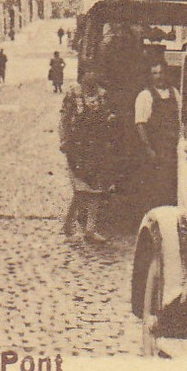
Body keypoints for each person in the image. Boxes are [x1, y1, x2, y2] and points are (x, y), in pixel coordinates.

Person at [60, 69, 116, 243]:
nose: (90, 81)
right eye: (87, 79)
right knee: (81, 190)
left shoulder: (102, 95)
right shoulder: (73, 94)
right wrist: (63, 140)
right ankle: (68, 226)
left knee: (96, 190)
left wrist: (111, 122)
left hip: (97, 148)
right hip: (77, 148)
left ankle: (90, 229)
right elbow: (64, 119)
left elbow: (107, 117)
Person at [134, 61, 181, 210]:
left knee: (172, 184)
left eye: (161, 73)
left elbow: (181, 118)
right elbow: (140, 124)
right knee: (156, 185)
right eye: (155, 73)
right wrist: (149, 149)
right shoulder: (145, 95)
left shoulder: (174, 92)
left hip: (173, 147)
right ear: (151, 76)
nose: (159, 76)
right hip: (156, 148)